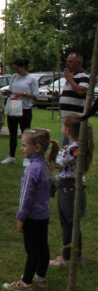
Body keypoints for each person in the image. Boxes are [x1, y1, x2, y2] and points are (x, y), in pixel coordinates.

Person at [2, 129, 56, 290]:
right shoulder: (46, 166)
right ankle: (41, 276)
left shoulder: (31, 170)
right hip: (44, 215)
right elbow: (50, 188)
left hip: (32, 217)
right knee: (43, 246)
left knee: (32, 250)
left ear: (37, 147)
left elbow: (26, 196)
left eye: (25, 145)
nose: (21, 149)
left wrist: (21, 217)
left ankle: (26, 283)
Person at [47, 113, 93, 268]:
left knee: (68, 224)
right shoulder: (77, 147)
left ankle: (69, 259)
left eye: (63, 126)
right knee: (71, 224)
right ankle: (75, 257)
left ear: (68, 129)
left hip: (68, 188)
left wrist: (51, 152)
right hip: (70, 187)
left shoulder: (72, 149)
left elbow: (58, 165)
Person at [2, 59, 39, 165]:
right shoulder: (14, 77)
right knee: (12, 133)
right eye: (15, 69)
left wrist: (24, 94)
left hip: (25, 109)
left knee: (25, 133)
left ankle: (27, 157)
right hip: (14, 107)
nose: (16, 71)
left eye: (18, 68)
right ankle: (11, 156)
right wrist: (10, 93)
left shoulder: (31, 79)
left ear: (23, 67)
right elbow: (11, 89)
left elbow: (36, 95)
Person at [59, 52, 89, 145]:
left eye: (71, 61)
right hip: (65, 116)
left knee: (72, 141)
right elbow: (72, 92)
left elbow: (81, 91)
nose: (68, 63)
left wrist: (70, 80)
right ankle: (65, 158)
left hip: (74, 117)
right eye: (67, 61)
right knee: (65, 140)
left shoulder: (84, 75)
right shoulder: (71, 75)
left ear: (79, 62)